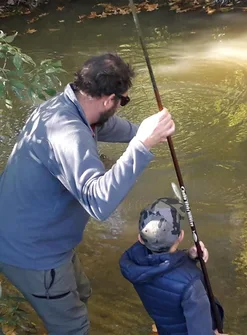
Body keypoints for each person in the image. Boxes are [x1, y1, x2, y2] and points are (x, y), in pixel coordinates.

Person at [0, 53, 175, 334]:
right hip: (31, 252)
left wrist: (143, 131)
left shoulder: (68, 106)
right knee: (73, 325)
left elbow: (104, 125)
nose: (121, 107)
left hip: (42, 237)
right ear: (108, 100)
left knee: (82, 293)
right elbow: (99, 202)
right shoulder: (68, 134)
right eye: (123, 101)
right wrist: (142, 145)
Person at [119, 197, 225, 335]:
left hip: (166, 326)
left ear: (140, 239)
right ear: (180, 236)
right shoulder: (191, 285)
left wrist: (188, 256)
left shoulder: (132, 262)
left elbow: (162, 268)